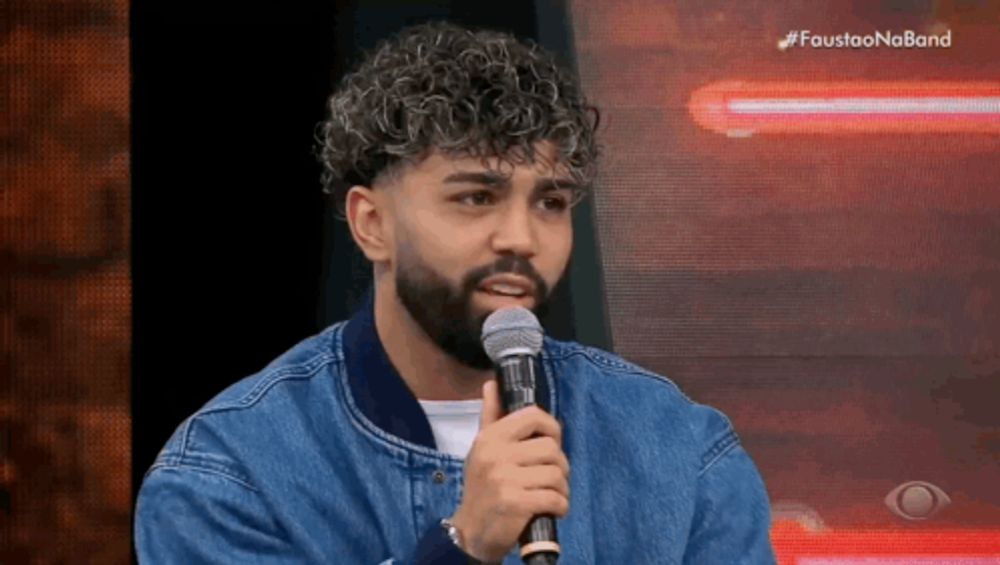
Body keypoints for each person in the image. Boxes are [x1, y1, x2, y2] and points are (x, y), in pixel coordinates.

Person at [134, 21, 776, 564]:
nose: (521, 238)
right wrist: (464, 543)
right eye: (476, 197)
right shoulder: (227, 474)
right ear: (371, 224)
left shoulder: (679, 449)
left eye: (550, 201)